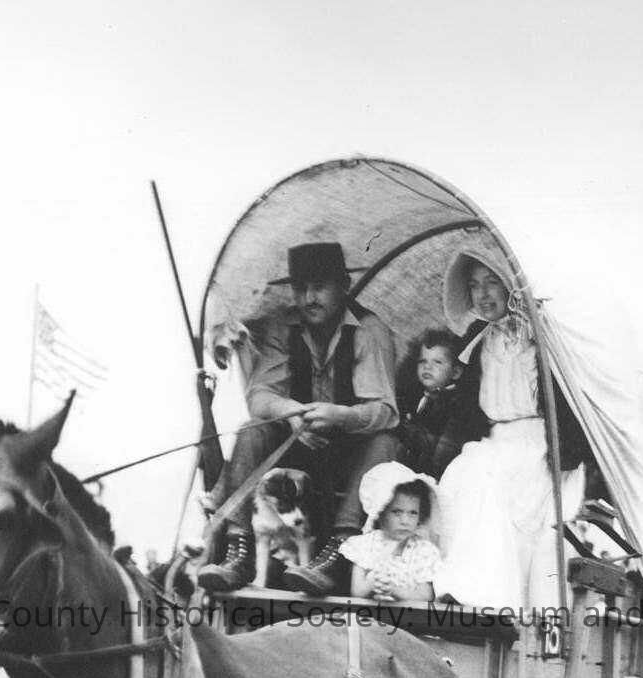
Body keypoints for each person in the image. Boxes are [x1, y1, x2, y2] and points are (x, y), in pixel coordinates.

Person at [197, 242, 402, 597]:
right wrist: (289, 411)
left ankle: (338, 552)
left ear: (343, 286)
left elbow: (385, 410)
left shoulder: (369, 330)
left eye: (319, 287)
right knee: (252, 431)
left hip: (348, 452)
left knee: (386, 442)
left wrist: (341, 416)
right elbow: (259, 396)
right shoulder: (283, 327)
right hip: (296, 447)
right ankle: (238, 551)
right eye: (301, 288)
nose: (309, 298)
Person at [432, 246, 584, 610]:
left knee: (494, 487)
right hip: (494, 440)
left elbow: (566, 401)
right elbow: (467, 409)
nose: (482, 294)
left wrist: (564, 455)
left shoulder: (541, 336)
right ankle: (465, 589)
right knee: (463, 476)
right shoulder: (478, 339)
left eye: (491, 283)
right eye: (474, 285)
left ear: (509, 286)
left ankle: (500, 599)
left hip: (538, 444)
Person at [339, 463, 442, 604]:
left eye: (413, 513)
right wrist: (373, 582)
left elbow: (426, 595)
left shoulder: (423, 550)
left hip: (408, 614)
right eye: (397, 512)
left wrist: (394, 589)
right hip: (370, 612)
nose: (405, 521)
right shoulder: (365, 545)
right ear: (380, 513)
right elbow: (357, 591)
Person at [394, 328, 487, 478]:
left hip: (437, 476)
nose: (427, 367)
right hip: (412, 472)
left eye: (437, 362)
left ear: (455, 372)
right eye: (422, 361)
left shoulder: (457, 405)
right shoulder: (418, 398)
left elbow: (444, 455)